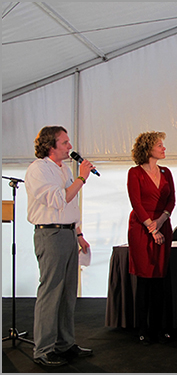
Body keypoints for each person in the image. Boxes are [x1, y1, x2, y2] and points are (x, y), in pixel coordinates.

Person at [25, 126, 94, 367]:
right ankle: (43, 349)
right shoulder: (38, 169)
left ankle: (65, 343)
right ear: (50, 146)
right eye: (65, 143)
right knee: (51, 290)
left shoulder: (63, 168)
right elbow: (59, 198)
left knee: (67, 292)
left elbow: (70, 206)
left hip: (67, 233)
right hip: (50, 233)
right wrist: (82, 177)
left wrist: (79, 234)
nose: (70, 147)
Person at [127, 131, 176, 345]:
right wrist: (151, 228)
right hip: (141, 227)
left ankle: (160, 327)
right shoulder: (134, 172)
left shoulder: (166, 172)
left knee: (160, 278)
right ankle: (142, 328)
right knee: (145, 279)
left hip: (162, 226)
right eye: (160, 145)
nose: (164, 148)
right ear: (148, 148)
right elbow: (136, 203)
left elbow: (172, 201)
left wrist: (162, 222)